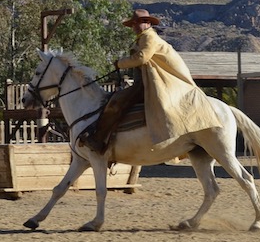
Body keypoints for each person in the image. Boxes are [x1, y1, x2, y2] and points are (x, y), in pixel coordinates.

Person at [79, 9, 221, 153]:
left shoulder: (149, 37)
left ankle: (98, 139)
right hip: (147, 80)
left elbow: (142, 57)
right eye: (133, 24)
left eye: (137, 23)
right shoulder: (143, 38)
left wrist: (119, 63)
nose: (134, 26)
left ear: (147, 23)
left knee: (116, 102)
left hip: (152, 83)